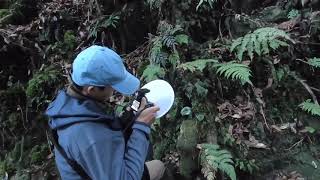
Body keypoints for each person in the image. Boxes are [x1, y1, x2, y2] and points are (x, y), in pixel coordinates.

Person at [45, 45, 167, 180]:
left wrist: (129, 117)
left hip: (100, 170)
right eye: (113, 86)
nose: (115, 91)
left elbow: (103, 129)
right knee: (158, 166)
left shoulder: (68, 106)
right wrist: (141, 126)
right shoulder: (89, 136)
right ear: (92, 90)